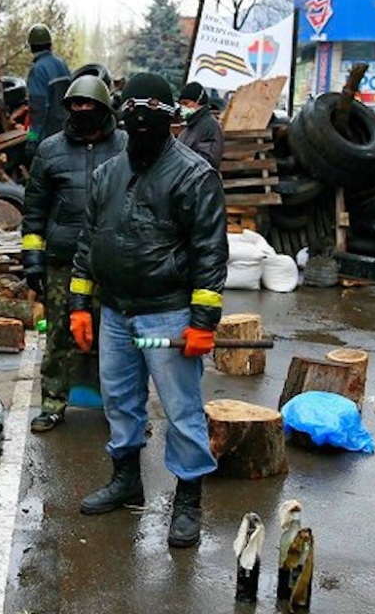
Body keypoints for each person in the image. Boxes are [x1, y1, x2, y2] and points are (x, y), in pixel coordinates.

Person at [69, 72, 228, 548]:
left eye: (152, 109)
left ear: (172, 116)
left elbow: (210, 253)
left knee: (182, 411)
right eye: (132, 108)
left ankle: (188, 499)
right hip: (116, 314)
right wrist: (80, 305)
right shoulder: (107, 175)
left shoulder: (195, 176)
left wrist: (203, 321)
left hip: (168, 314)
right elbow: (87, 244)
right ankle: (126, 480)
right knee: (119, 402)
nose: (141, 118)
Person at [22, 75, 128, 433]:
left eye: (89, 104)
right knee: (59, 336)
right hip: (63, 261)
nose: (82, 110)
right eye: (76, 104)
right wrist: (33, 258)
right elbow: (34, 210)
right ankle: (52, 403)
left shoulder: (126, 146)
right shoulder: (50, 150)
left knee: (118, 339)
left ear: (104, 108)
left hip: (113, 262)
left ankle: (123, 410)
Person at [25, 24, 71, 160]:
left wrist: (32, 138)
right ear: (50, 44)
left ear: (31, 46)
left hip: (48, 137)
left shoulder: (38, 70)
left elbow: (38, 109)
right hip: (68, 131)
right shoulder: (62, 64)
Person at [176, 81, 225, 169]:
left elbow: (207, 161)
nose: (182, 107)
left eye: (186, 103)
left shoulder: (210, 126)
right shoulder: (190, 126)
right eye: (181, 104)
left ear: (198, 101)